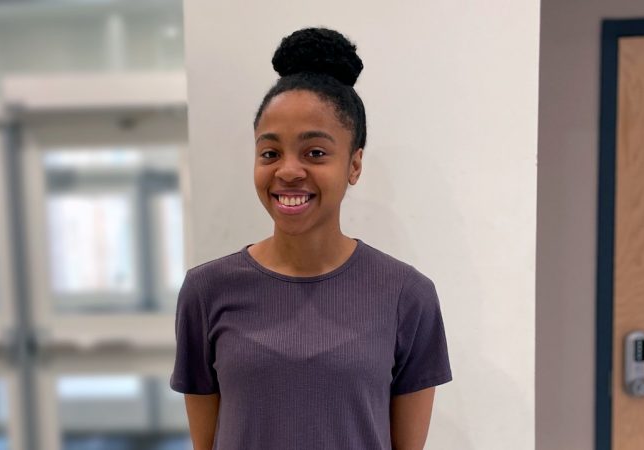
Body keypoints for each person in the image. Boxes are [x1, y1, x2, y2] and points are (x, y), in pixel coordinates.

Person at [170, 27, 452, 450]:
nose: (287, 171)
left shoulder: (407, 296)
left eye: (315, 153)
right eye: (270, 153)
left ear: (354, 164)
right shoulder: (206, 291)